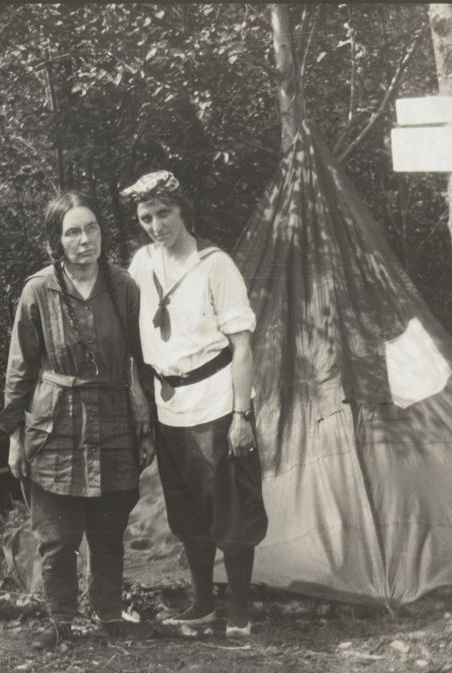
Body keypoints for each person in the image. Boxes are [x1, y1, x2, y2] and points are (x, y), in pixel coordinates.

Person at [0, 191, 155, 650]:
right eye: (72, 232)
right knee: (57, 537)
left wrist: (146, 428)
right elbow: (19, 369)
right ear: (56, 241)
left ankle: (108, 614)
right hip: (54, 425)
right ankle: (62, 619)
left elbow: (140, 364)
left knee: (108, 531)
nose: (85, 240)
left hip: (113, 421)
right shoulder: (37, 291)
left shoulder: (124, 288)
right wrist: (14, 438)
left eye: (92, 229)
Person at [121, 170, 268, 639]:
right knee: (187, 510)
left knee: (230, 508)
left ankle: (240, 611)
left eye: (164, 213)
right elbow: (131, 338)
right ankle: (203, 603)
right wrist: (139, 398)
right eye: (146, 217)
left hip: (217, 400)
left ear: (183, 211)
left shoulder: (215, 265)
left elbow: (242, 346)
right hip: (169, 405)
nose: (156, 224)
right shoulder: (141, 264)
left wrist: (241, 414)